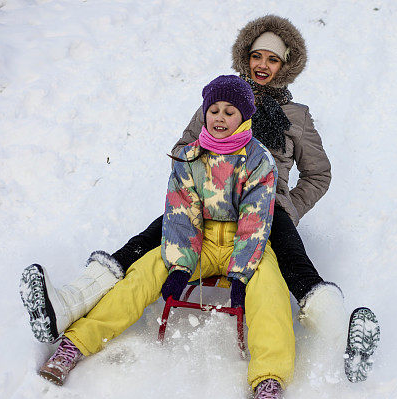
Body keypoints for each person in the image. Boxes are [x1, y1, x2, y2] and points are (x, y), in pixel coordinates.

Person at [20, 15, 349, 352]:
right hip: (207, 202)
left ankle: (339, 338)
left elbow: (318, 174)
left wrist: (288, 205)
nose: (263, 65)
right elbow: (182, 149)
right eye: (257, 56)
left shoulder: (297, 117)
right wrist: (208, 163)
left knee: (295, 259)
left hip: (264, 207)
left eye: (273, 59)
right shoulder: (221, 99)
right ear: (245, 57)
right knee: (147, 241)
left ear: (286, 66)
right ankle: (69, 303)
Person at [36, 75, 295, 399]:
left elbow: (256, 220)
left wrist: (239, 275)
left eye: (229, 111)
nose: (219, 117)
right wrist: (178, 267)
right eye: (214, 110)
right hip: (198, 238)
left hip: (243, 241)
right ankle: (76, 343)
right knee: (142, 273)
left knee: (270, 291)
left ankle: (268, 381)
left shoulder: (258, 160)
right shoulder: (189, 158)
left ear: (245, 117)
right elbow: (181, 214)